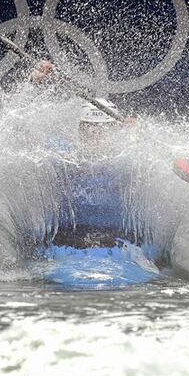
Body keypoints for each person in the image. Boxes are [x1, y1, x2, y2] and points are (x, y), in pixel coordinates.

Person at [30, 60, 140, 249]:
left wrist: (140, 132)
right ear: (80, 129)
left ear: (115, 130)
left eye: (102, 129)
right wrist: (33, 82)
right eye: (88, 128)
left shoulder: (130, 154)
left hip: (119, 242)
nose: (95, 135)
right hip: (63, 241)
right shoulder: (62, 152)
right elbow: (22, 124)